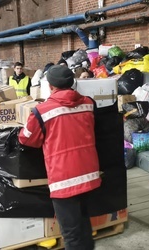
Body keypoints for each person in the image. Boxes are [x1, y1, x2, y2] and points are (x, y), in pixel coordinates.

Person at [18, 65, 101, 250]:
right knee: (84, 226)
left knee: (71, 235)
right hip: (89, 175)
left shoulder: (42, 111)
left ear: (51, 86)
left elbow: (27, 139)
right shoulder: (89, 103)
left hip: (64, 180)